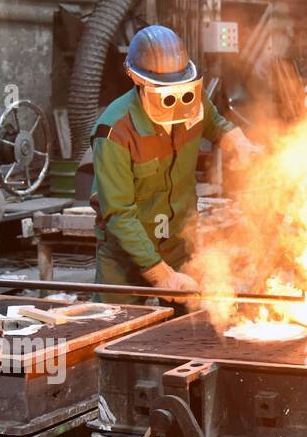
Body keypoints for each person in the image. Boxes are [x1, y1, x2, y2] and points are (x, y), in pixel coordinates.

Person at [91, 25, 257, 305]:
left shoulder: (190, 101)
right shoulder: (114, 131)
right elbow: (119, 213)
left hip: (178, 242)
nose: (177, 103)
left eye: (182, 90)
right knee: (114, 331)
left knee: (186, 334)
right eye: (166, 94)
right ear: (138, 82)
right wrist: (160, 275)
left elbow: (215, 123)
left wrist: (237, 141)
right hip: (124, 255)